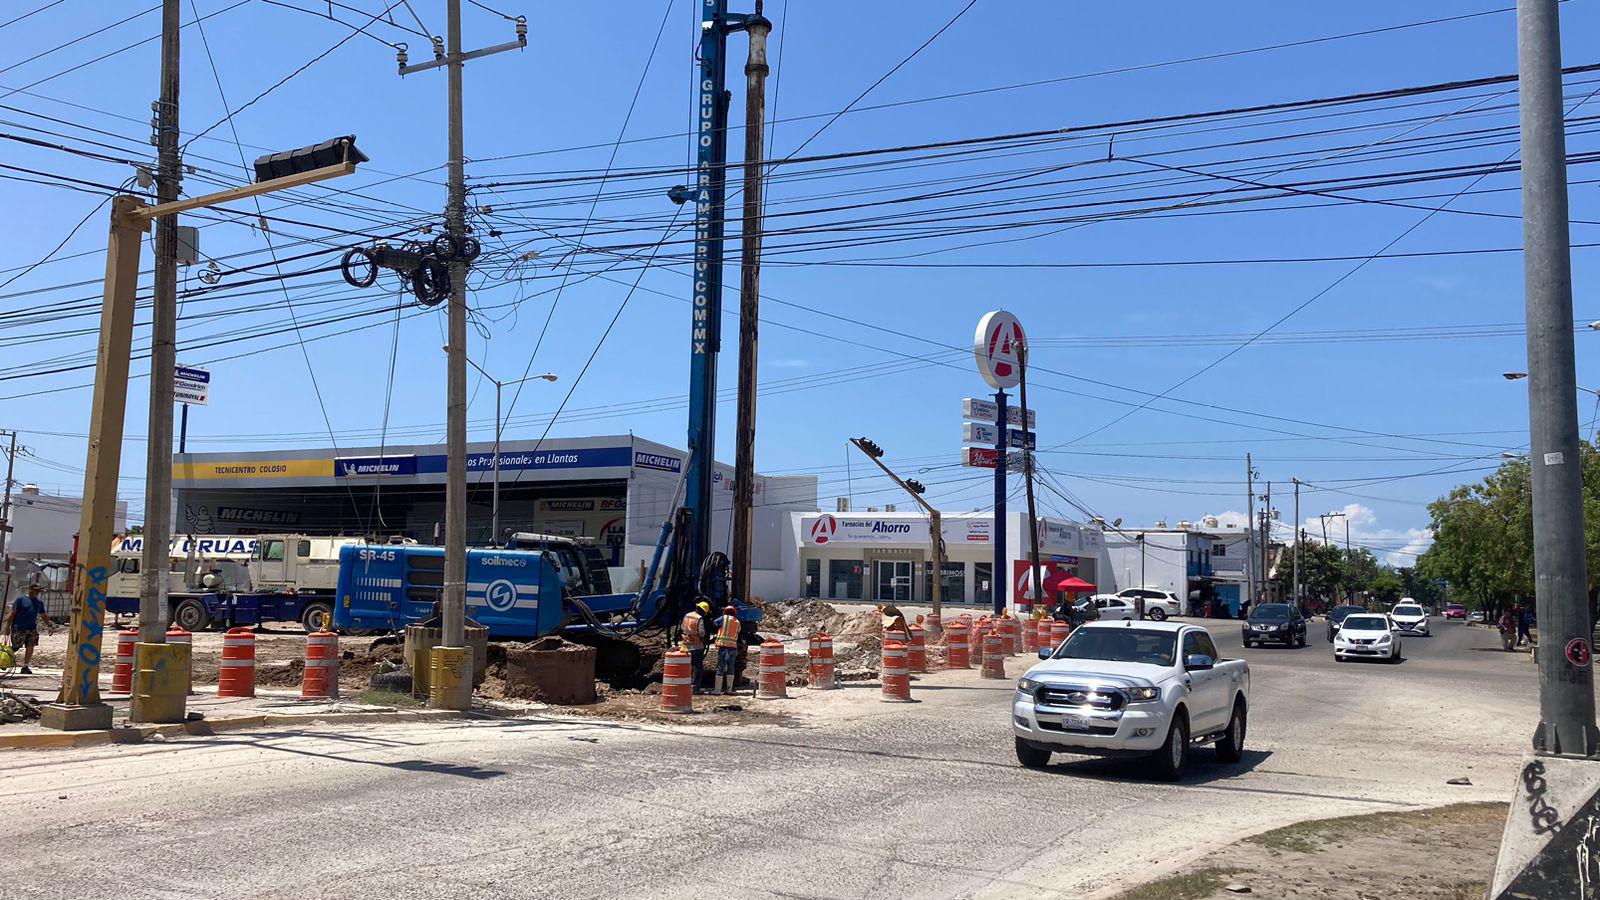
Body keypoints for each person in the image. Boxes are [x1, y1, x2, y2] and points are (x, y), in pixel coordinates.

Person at [5, 584, 54, 675]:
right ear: (30, 590)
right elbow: (12, 614)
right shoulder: (20, 600)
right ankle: (4, 659)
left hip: (31, 628)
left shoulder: (39, 602)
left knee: (30, 645)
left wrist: (49, 625)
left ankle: (25, 666)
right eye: (36, 590)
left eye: (39, 591)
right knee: (16, 647)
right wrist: (7, 627)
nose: (37, 593)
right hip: (18, 628)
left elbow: (43, 615)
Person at [711, 605, 742, 695]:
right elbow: (738, 632)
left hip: (724, 647)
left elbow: (714, 623)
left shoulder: (723, 618)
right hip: (733, 648)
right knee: (731, 668)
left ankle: (717, 690)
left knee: (720, 667)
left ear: (725, 612)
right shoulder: (737, 622)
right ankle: (729, 689)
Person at [681, 601, 711, 694]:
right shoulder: (699, 618)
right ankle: (694, 688)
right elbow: (702, 633)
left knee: (686, 666)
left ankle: (684, 685)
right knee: (697, 667)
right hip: (696, 646)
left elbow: (682, 627)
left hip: (685, 645)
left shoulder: (687, 615)